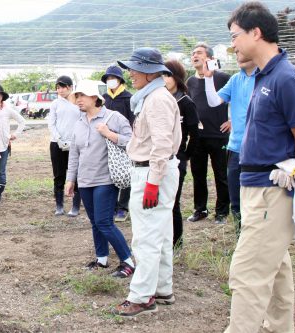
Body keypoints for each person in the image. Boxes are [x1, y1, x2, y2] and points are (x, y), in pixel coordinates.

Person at [224, 2, 295, 332]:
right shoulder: (261, 76)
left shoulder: (285, 78)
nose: (233, 44)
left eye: (235, 36)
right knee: (276, 268)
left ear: (256, 33)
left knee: (248, 272)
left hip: (273, 189)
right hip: (256, 185)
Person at [113, 47, 181, 316]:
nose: (130, 73)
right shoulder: (152, 96)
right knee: (161, 234)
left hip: (152, 171)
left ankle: (142, 297)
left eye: (134, 68)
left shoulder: (156, 100)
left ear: (149, 71)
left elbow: (162, 143)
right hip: (156, 170)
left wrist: (153, 181)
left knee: (146, 237)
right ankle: (162, 288)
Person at [65, 79, 135, 278]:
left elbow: (131, 142)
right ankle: (102, 259)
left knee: (104, 222)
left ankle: (128, 261)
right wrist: (71, 179)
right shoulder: (79, 122)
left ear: (95, 98)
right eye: (76, 96)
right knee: (95, 221)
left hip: (106, 179)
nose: (78, 100)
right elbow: (74, 153)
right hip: (85, 180)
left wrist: (109, 134)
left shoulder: (114, 118)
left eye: (82, 95)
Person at [203, 55, 257, 237]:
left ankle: (255, 238)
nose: (239, 55)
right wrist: (208, 78)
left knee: (257, 199)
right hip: (235, 149)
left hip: (258, 149)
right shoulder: (236, 79)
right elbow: (213, 101)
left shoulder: (266, 77)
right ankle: (241, 237)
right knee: (236, 199)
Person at [187, 42, 231, 225]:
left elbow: (238, 100)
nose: (194, 55)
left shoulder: (223, 77)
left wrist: (232, 121)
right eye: (193, 53)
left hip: (219, 133)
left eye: (199, 53)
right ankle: (200, 209)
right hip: (198, 136)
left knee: (221, 173)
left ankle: (222, 211)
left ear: (210, 58)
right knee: (198, 174)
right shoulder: (190, 81)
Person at [164, 59, 199, 248]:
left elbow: (195, 134)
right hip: (159, 158)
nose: (164, 79)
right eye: (161, 74)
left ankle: (176, 243)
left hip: (177, 159)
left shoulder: (186, 103)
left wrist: (184, 156)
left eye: (168, 75)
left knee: (173, 203)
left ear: (176, 77)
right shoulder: (159, 99)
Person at [101, 65, 134, 222]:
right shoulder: (103, 99)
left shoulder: (128, 98)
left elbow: (133, 121)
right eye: (108, 79)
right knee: (109, 173)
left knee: (125, 172)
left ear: (120, 80)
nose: (110, 81)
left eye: (113, 78)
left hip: (124, 140)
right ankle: (112, 205)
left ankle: (123, 207)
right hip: (106, 142)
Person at [47, 75, 81, 217]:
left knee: (76, 175)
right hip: (57, 144)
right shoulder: (55, 104)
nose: (60, 90)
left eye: (63, 87)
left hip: (74, 144)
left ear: (70, 87)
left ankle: (75, 206)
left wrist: (75, 140)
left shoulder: (77, 103)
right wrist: (59, 138)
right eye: (58, 87)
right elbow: (51, 123)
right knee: (59, 174)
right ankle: (59, 205)